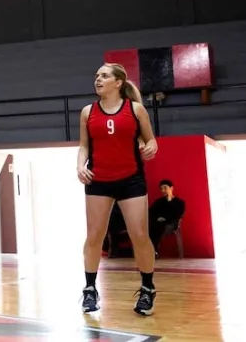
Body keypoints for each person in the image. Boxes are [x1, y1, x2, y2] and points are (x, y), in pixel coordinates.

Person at [77, 63, 158, 315]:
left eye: (104, 75)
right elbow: (84, 146)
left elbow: (150, 139)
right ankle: (90, 290)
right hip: (99, 180)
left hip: (131, 179)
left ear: (118, 82)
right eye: (96, 75)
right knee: (94, 237)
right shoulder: (87, 112)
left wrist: (152, 146)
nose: (98, 79)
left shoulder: (135, 110)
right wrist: (80, 166)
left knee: (139, 236)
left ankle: (147, 289)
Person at [148, 179, 185, 257]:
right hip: (157, 223)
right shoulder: (159, 202)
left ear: (171, 188)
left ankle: (153, 251)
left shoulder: (179, 202)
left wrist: (169, 200)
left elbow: (177, 214)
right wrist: (158, 218)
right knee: (153, 226)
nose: (163, 190)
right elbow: (151, 212)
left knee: (158, 227)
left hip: (171, 223)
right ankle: (153, 251)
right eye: (161, 188)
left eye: (165, 188)